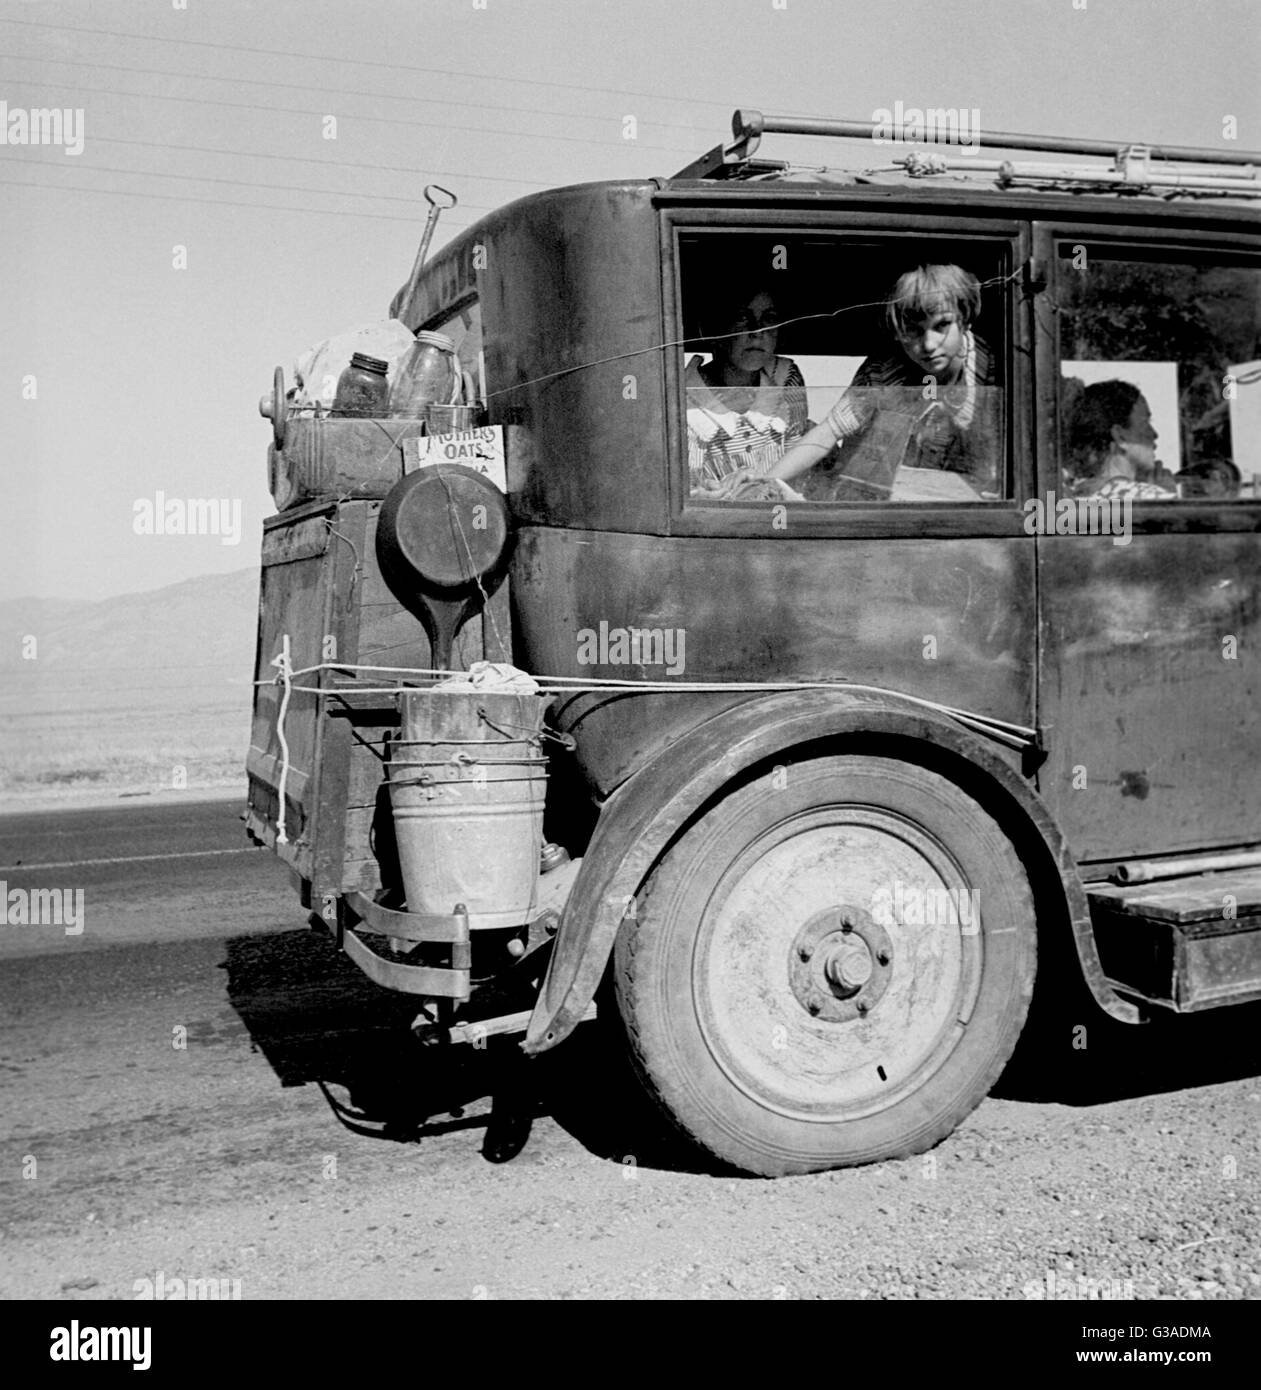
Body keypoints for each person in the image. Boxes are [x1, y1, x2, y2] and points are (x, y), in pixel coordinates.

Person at [716, 264, 998, 501]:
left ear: (965, 320)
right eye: (913, 331)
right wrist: (765, 480)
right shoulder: (884, 372)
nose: (928, 344)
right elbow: (827, 433)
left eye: (941, 326)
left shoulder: (997, 372)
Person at [686, 288, 809, 494]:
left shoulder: (785, 380)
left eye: (769, 319)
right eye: (742, 318)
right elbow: (684, 495)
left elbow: (800, 469)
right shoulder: (685, 399)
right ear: (712, 329)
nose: (757, 332)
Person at [1066, 380, 1176, 499]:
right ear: (1120, 436)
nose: (1154, 434)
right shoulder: (1151, 497)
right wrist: (1167, 494)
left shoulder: (1069, 497)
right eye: (1146, 422)